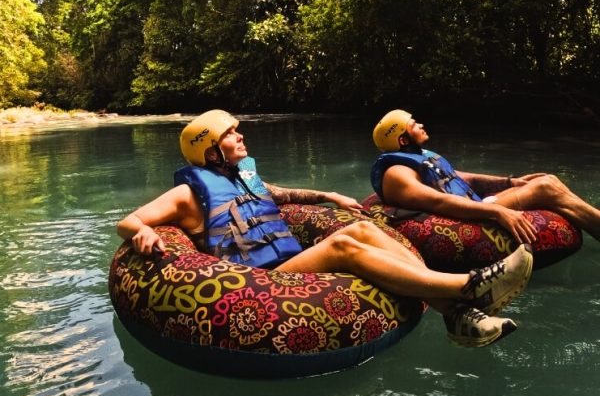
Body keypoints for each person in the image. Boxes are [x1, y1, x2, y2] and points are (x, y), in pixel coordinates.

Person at [117, 109, 533, 349]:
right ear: (210, 150)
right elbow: (129, 220)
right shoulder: (188, 195)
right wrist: (141, 232)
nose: (241, 136)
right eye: (230, 134)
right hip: (257, 282)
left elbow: (281, 194)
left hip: (289, 264)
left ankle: (457, 316)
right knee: (345, 243)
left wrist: (329, 195)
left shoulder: (245, 179)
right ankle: (469, 286)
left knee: (366, 231)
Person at [371, 108, 600, 244]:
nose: (421, 125)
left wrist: (511, 182)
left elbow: (462, 178)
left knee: (548, 180)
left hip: (475, 205)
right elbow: (438, 202)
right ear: (403, 139)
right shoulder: (396, 174)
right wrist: (497, 211)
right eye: (413, 124)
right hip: (461, 220)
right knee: (545, 187)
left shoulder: (422, 156)